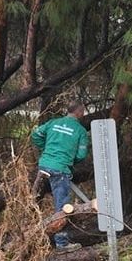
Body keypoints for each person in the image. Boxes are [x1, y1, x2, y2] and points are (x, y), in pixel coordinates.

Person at [31, 102, 90, 251]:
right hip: (60, 169)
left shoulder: (53, 122)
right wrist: (69, 160)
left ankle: (30, 237)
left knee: (34, 202)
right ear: (80, 112)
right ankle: (62, 243)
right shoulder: (80, 131)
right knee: (62, 207)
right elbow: (81, 154)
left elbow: (36, 134)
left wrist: (46, 149)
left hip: (44, 166)